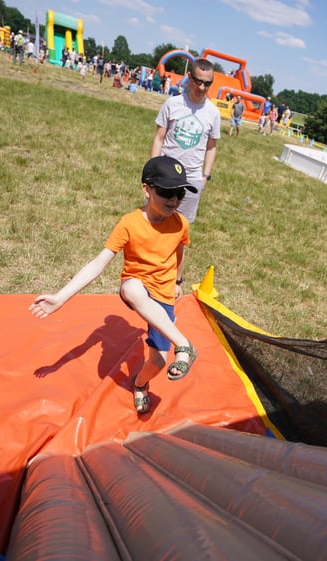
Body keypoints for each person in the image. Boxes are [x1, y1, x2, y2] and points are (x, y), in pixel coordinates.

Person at [29, 155, 199, 414]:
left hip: (164, 295)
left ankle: (140, 384)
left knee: (158, 363)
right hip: (138, 288)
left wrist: (177, 280)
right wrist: (60, 298)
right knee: (131, 289)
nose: (174, 200)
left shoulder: (181, 224)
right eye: (166, 191)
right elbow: (98, 264)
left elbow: (180, 251)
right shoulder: (129, 223)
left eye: (179, 193)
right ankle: (185, 345)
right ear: (146, 189)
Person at [150, 58, 221, 224]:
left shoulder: (213, 113)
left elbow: (211, 147)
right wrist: (154, 170)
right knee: (153, 223)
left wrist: (205, 177)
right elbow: (159, 138)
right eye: (198, 82)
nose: (202, 88)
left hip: (192, 179)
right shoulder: (172, 104)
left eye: (207, 83)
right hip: (165, 174)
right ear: (189, 77)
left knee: (180, 229)